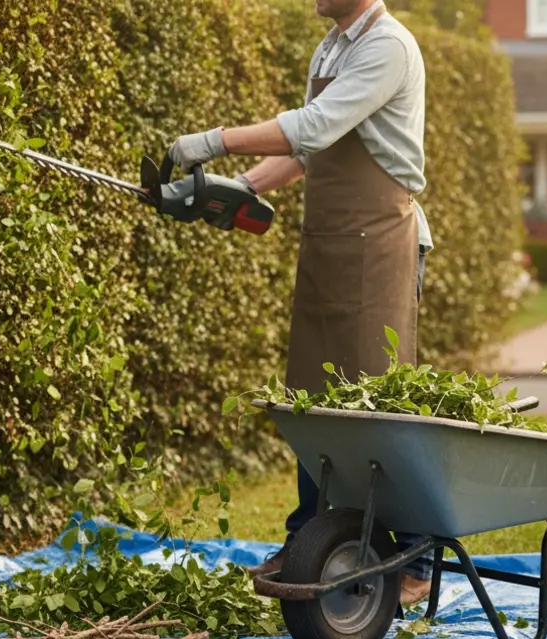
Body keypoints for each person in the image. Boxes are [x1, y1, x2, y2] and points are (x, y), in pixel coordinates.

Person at [166, 0, 435, 605]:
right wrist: (235, 188)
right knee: (312, 395)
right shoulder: (333, 46)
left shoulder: (387, 46)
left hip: (379, 241)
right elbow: (311, 150)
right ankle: (308, 537)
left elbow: (310, 126)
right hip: (330, 243)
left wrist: (211, 143)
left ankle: (415, 553)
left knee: (376, 398)